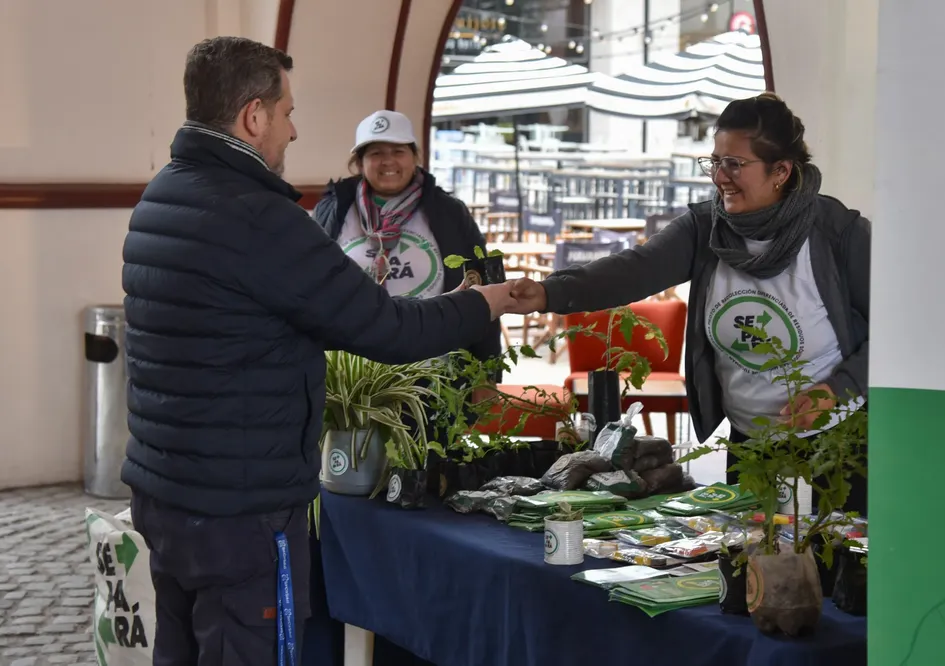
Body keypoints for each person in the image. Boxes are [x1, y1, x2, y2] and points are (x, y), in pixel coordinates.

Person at [120, 36, 516, 666]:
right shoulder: (259, 217)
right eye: (287, 112)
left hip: (168, 491)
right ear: (253, 116)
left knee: (181, 651)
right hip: (242, 511)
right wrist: (483, 303)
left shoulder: (162, 195)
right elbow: (386, 329)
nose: (294, 130)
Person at [510, 93, 870, 514]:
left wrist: (837, 391)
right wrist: (548, 293)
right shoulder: (706, 228)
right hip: (750, 447)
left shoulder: (838, 235)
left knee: (832, 553)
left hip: (835, 447)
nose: (719, 177)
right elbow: (635, 269)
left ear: (781, 171)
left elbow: (896, 337)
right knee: (756, 551)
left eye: (734, 163)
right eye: (714, 162)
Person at [312, 109, 501, 393]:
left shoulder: (450, 213)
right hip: (352, 382)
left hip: (435, 376)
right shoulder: (333, 210)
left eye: (398, 151)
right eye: (376, 153)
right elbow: (311, 285)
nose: (388, 161)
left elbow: (486, 288)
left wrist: (487, 374)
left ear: (415, 157)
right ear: (359, 162)